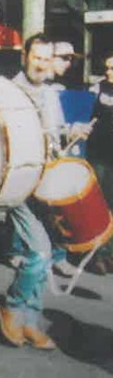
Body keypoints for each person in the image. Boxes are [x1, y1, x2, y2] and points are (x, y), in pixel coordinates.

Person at [0, 33, 91, 351]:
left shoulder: (50, 95)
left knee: (47, 254)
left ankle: (31, 320)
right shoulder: (9, 93)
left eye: (46, 59)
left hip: (45, 184)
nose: (41, 65)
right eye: (36, 57)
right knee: (38, 253)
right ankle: (12, 307)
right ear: (25, 57)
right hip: (19, 184)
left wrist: (71, 132)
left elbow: (55, 138)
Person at [87, 51, 113, 273]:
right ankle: (98, 254)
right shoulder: (97, 90)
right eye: (107, 67)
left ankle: (110, 252)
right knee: (101, 204)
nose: (108, 72)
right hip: (99, 155)